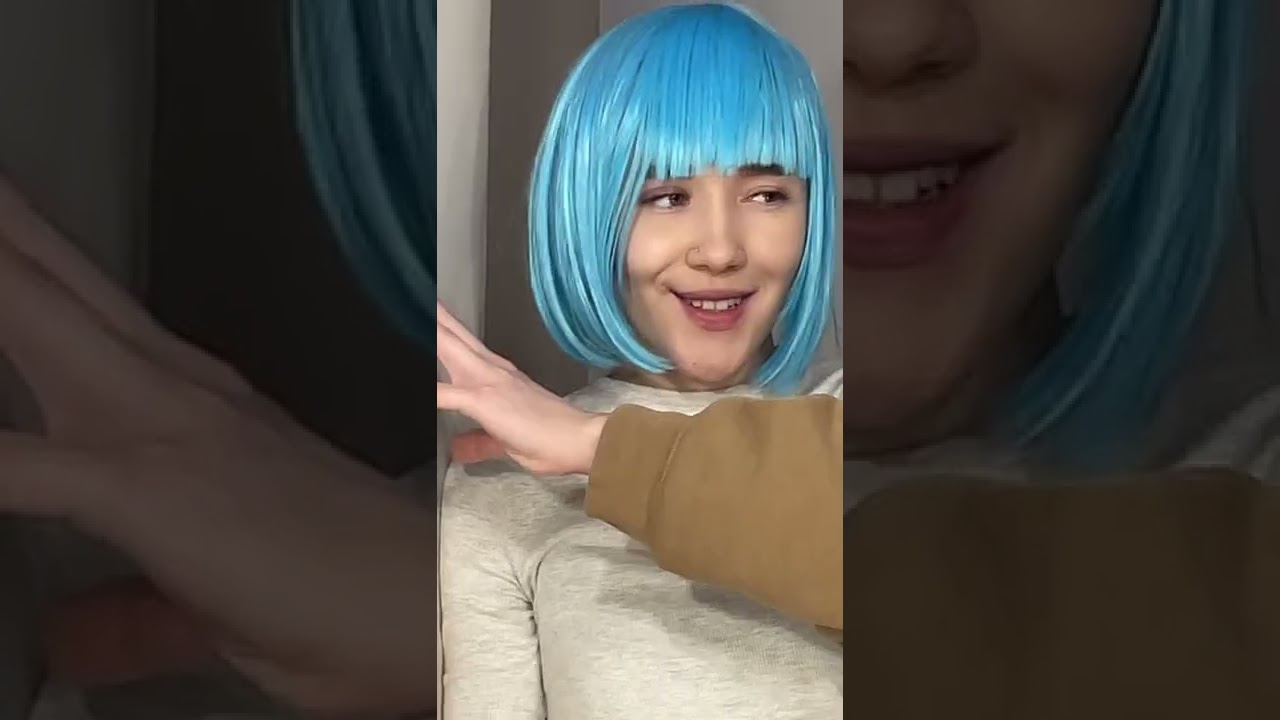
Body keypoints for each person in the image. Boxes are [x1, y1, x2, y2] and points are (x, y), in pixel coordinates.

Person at [437, 5, 843, 719]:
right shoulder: (499, 489)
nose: (720, 250)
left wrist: (596, 448)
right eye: (668, 196)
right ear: (588, 211)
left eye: (766, 195)